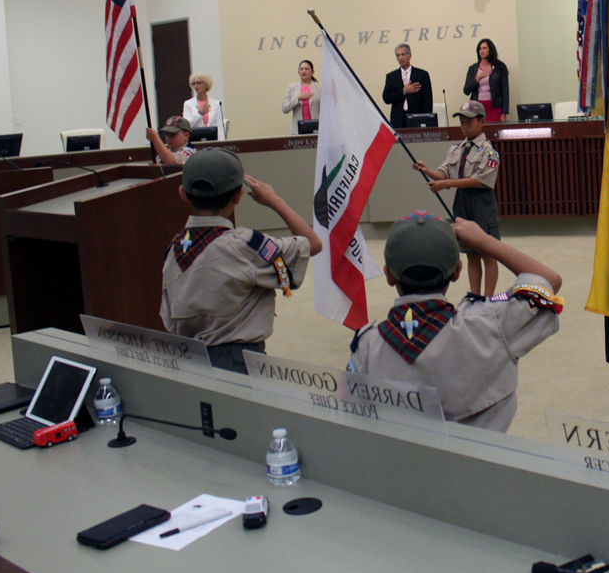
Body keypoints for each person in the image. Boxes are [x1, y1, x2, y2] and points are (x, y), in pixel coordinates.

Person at [348, 212, 562, 434]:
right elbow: (548, 281)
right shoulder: (490, 325)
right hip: (482, 466)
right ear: (458, 271)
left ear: (389, 276)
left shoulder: (367, 349)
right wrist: (485, 241)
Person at [161, 149, 322, 374]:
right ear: (238, 195)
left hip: (187, 361)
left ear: (183, 193)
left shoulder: (174, 248)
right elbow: (312, 243)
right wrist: (274, 201)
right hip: (237, 362)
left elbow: (168, 318)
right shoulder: (246, 245)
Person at [411, 100, 501, 295]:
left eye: (469, 121)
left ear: (482, 121)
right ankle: (475, 295)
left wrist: (447, 184)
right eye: (462, 122)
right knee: (471, 254)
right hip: (462, 202)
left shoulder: (489, 150)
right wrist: (427, 170)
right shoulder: (456, 149)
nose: (465, 126)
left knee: (488, 253)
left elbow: (479, 180)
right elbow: (444, 175)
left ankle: (488, 298)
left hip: (481, 203)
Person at [383, 43, 433, 128]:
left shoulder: (422, 75)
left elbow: (428, 100)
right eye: (398, 55)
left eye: (403, 54)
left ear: (410, 56)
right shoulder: (391, 76)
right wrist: (403, 91)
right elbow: (386, 98)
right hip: (398, 119)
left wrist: (426, 120)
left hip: (417, 117)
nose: (400, 58)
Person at [462, 38, 510, 122]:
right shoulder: (473, 69)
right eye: (480, 49)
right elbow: (466, 90)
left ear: (490, 50)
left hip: (495, 108)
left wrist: (504, 113)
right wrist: (479, 77)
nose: (482, 51)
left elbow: (505, 91)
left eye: (484, 48)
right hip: (477, 109)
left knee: (493, 132)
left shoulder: (500, 67)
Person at [182, 72, 227, 140]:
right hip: (195, 141)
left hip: (213, 140)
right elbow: (186, 126)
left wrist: (221, 143)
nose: (196, 86)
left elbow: (219, 127)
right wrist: (199, 114)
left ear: (206, 84)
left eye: (199, 83)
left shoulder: (216, 104)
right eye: (194, 84)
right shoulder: (188, 104)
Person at [282, 59, 321, 134]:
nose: (303, 71)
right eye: (301, 69)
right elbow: (285, 108)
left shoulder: (319, 88)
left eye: (306, 69)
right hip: (298, 130)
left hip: (317, 129)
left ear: (312, 72)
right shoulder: (292, 88)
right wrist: (298, 98)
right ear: (298, 72)